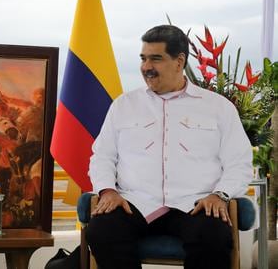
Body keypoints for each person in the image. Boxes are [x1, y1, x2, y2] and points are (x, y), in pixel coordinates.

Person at [86, 25, 253, 269]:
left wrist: (220, 195)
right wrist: (107, 190)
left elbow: (238, 162)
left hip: (195, 204)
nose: (146, 67)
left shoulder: (218, 108)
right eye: (143, 58)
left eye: (156, 59)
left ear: (179, 61)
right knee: (102, 231)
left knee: (213, 236)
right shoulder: (124, 105)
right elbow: (102, 156)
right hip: (134, 202)